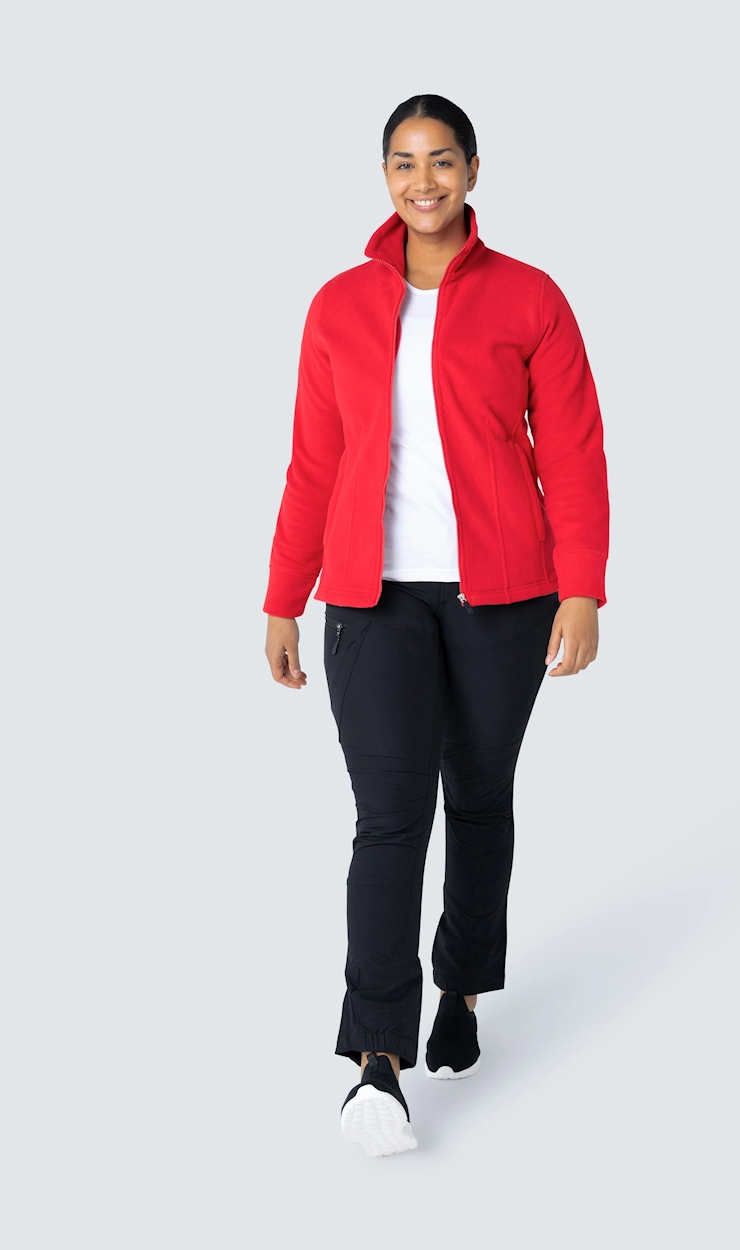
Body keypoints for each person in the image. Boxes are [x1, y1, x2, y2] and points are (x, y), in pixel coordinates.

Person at [262, 94, 610, 1157]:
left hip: (501, 598)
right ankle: (377, 1057)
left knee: (481, 800)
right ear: (384, 177)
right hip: (371, 600)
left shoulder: (529, 296)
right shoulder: (337, 305)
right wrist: (283, 595)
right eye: (404, 162)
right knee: (389, 818)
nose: (424, 181)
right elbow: (313, 460)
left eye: (443, 160)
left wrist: (582, 587)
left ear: (472, 170)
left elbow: (575, 450)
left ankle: (459, 988)